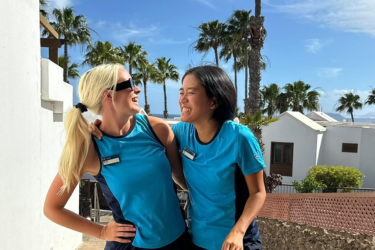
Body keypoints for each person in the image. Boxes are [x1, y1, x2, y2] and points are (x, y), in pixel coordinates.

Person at [91, 65, 266, 250]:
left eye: (191, 93)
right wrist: (98, 126)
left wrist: (238, 232)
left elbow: (258, 193)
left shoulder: (240, 138)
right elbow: (143, 136)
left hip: (237, 242)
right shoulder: (181, 132)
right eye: (181, 92)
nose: (182, 99)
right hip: (196, 240)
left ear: (213, 102)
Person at [44, 63, 188, 250]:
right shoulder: (90, 148)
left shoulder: (157, 129)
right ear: (108, 94)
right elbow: (52, 208)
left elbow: (182, 179)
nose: (137, 89)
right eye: (130, 83)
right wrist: (101, 232)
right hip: (131, 246)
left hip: (179, 240)